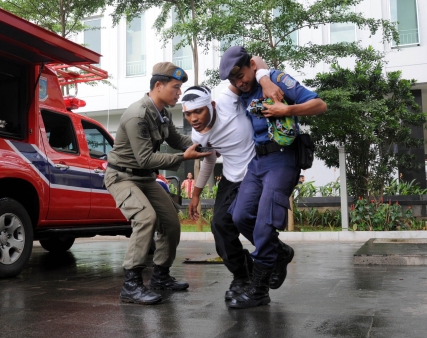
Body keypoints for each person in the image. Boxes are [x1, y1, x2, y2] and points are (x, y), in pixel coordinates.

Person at [220, 46, 327, 309]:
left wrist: (286, 110)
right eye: (234, 80)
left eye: (242, 76)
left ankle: (259, 290)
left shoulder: (277, 80)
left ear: (251, 68)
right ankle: (280, 252)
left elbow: (319, 104)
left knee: (265, 223)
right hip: (258, 161)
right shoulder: (249, 83)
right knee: (239, 216)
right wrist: (260, 78)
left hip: (283, 159)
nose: (240, 83)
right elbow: (256, 60)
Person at [104, 62, 212, 305]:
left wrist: (201, 144)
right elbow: (145, 158)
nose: (179, 93)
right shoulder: (137, 114)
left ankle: (161, 277)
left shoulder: (163, 112)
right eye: (175, 87)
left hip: (145, 177)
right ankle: (131, 285)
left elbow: (176, 139)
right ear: (158, 85)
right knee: (146, 219)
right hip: (122, 176)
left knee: (171, 223)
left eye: (180, 88)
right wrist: (184, 157)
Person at [182, 69, 286, 302]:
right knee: (220, 226)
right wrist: (196, 194)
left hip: (256, 171)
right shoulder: (198, 136)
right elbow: (209, 158)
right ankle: (242, 275)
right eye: (188, 114)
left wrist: (266, 81)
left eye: (198, 111)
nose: (194, 119)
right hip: (230, 177)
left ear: (212, 104)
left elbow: (253, 64)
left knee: (247, 221)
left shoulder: (227, 96)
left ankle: (276, 254)